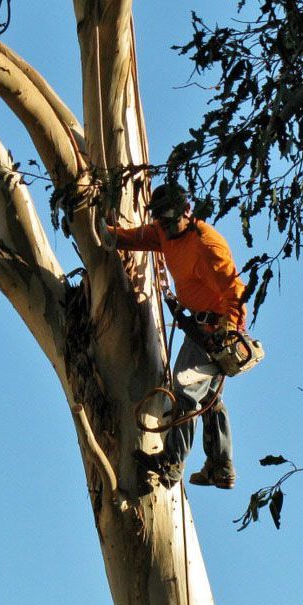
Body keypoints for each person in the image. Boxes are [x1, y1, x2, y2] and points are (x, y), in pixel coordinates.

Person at [106, 185, 247, 489]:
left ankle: (172, 464)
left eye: (170, 221)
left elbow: (235, 292)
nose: (166, 229)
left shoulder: (208, 246)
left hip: (214, 334)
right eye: (161, 222)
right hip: (196, 329)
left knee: (184, 392)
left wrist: (231, 331)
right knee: (208, 397)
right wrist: (106, 233)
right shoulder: (163, 231)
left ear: (187, 211)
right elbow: (140, 237)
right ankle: (220, 467)